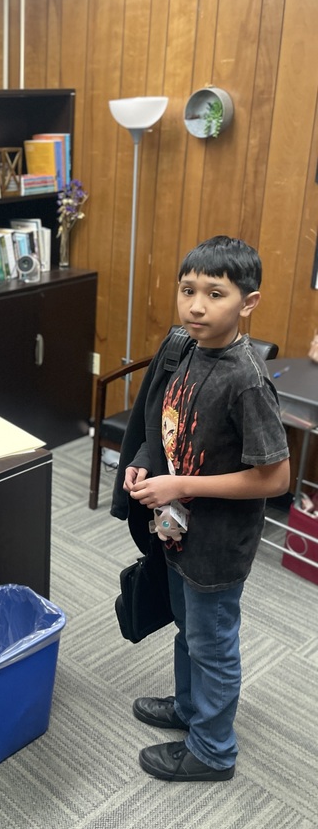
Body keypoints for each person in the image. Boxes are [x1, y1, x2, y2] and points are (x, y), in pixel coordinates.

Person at [112, 236, 290, 782]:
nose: (196, 306)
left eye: (215, 294)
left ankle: (213, 751)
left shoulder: (246, 380)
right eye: (188, 290)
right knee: (189, 632)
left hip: (217, 546)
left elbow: (275, 477)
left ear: (248, 303)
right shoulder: (187, 349)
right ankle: (190, 711)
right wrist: (147, 463)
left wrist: (180, 484)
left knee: (213, 644)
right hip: (180, 535)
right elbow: (163, 423)